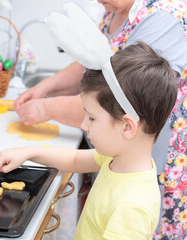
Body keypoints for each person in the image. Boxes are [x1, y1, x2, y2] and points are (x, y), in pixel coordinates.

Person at [14, 1, 187, 238]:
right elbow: (74, 158)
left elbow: (125, 94)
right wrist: (27, 153)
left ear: (127, 126)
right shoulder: (114, 159)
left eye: (91, 118)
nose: (97, 0)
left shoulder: (132, 206)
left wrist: (47, 107)